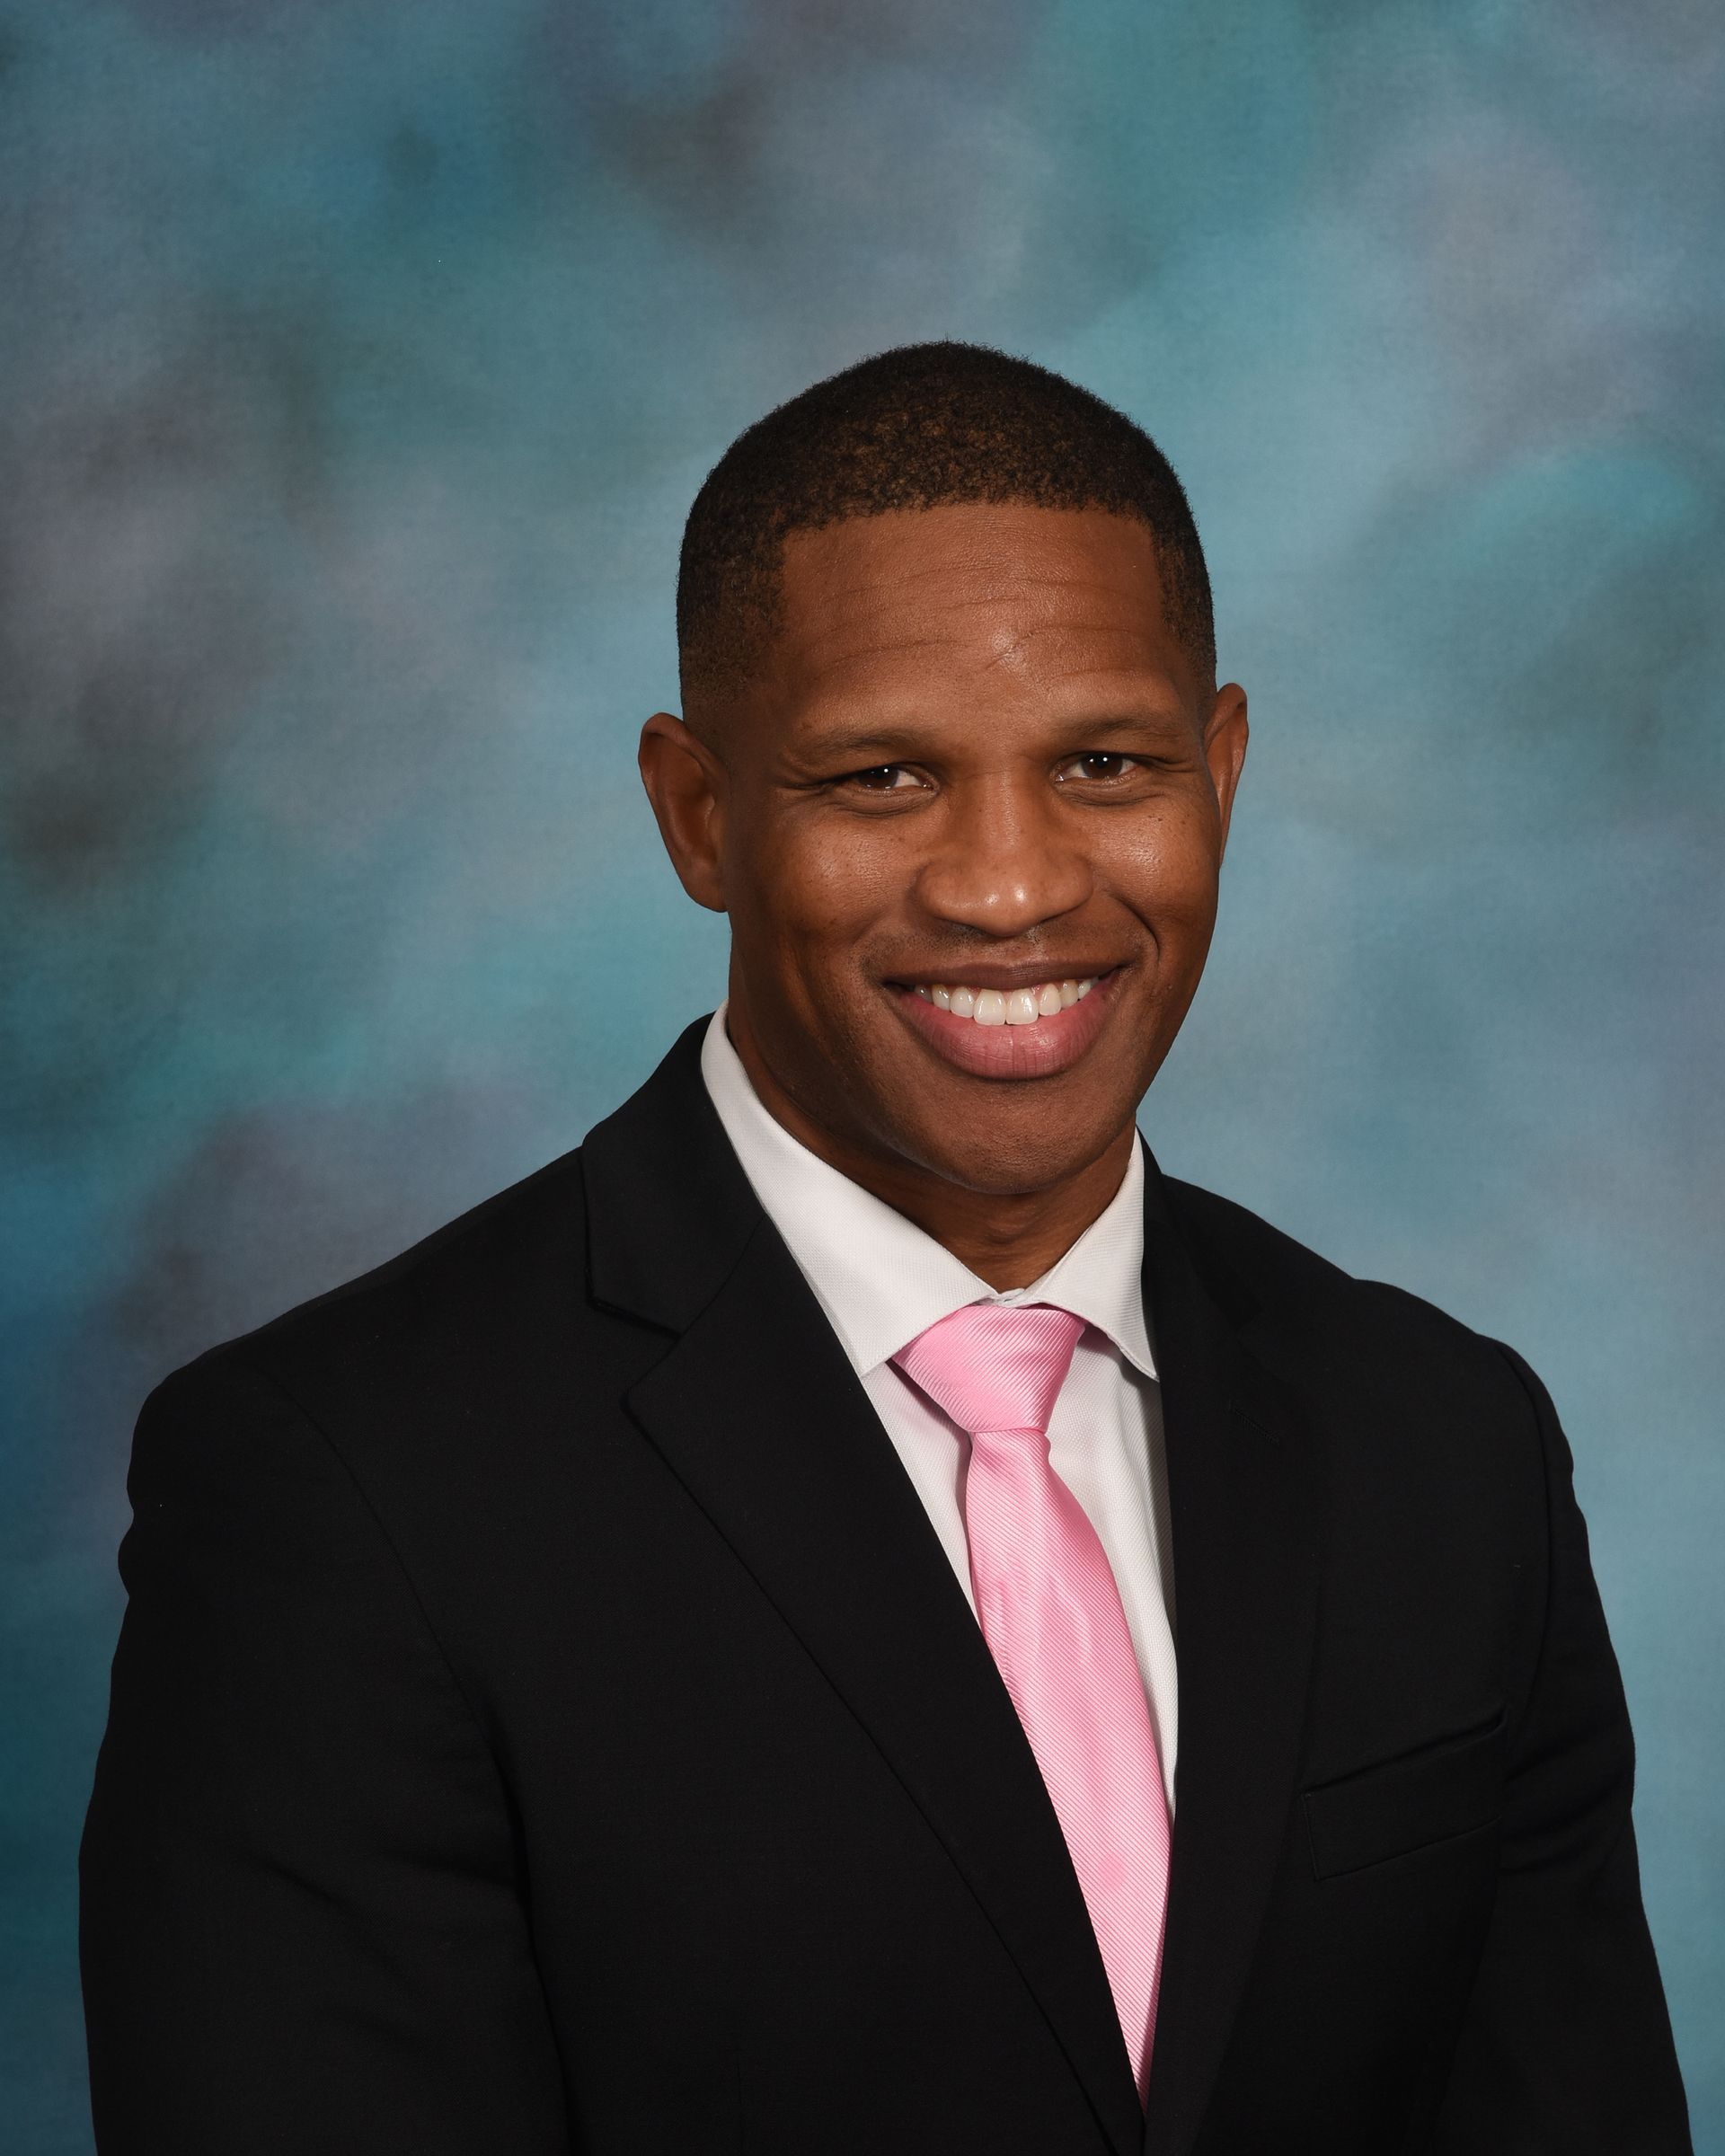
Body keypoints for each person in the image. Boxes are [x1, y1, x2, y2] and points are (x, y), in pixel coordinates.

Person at [79, 341, 1691, 2154]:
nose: (1011, 885)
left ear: (1221, 769)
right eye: (883, 780)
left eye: (1103, 761)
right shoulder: (342, 1493)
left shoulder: (1445, 1443)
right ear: (700, 813)